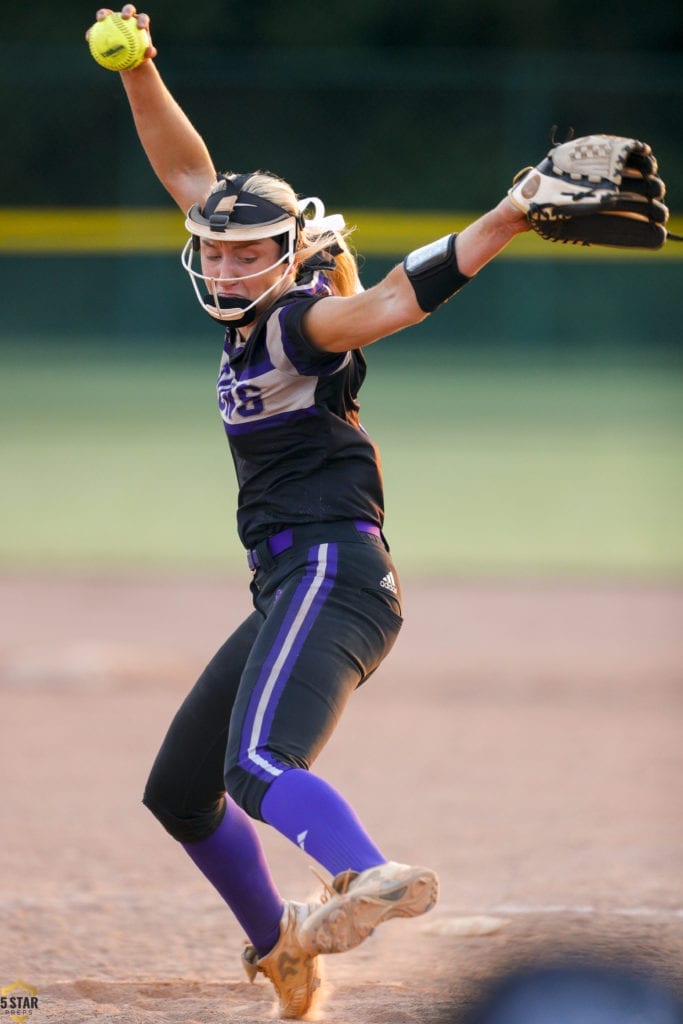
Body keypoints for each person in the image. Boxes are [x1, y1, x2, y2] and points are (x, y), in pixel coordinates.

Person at [87, 6, 530, 1019]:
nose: (231, 263)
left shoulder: (295, 321)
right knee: (180, 791)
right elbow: (186, 175)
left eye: (253, 252)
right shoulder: (255, 307)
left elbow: (385, 307)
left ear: (288, 255)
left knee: (255, 764)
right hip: (295, 580)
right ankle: (282, 948)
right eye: (219, 251)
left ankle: (367, 874)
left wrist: (503, 218)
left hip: (332, 571)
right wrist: (139, 68)